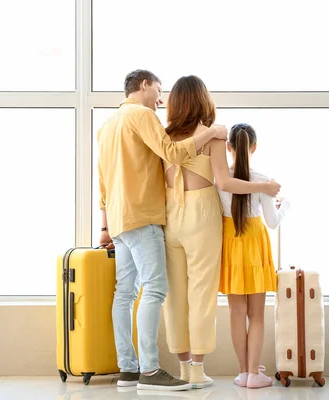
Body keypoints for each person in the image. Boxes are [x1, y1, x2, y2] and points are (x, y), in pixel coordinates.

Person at [96, 69, 228, 391]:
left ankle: (129, 369)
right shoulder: (142, 116)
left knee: (125, 294)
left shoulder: (106, 126)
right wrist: (211, 133)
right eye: (158, 89)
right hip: (147, 215)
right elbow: (171, 154)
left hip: (119, 220)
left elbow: (102, 182)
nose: (160, 98)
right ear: (144, 85)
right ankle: (153, 371)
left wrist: (104, 226)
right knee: (158, 290)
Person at [161, 75, 281, 388]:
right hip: (201, 216)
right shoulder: (212, 135)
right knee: (201, 294)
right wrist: (266, 187)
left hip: (170, 215)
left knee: (175, 296)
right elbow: (224, 183)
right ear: (203, 100)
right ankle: (198, 371)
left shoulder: (164, 135)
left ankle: (183, 367)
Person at [217, 123, 290, 389]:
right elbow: (271, 222)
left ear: (229, 147)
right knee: (256, 315)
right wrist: (285, 207)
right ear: (254, 147)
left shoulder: (221, 180)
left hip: (231, 243)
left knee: (237, 312)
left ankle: (243, 372)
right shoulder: (263, 180)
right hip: (255, 245)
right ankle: (253, 373)